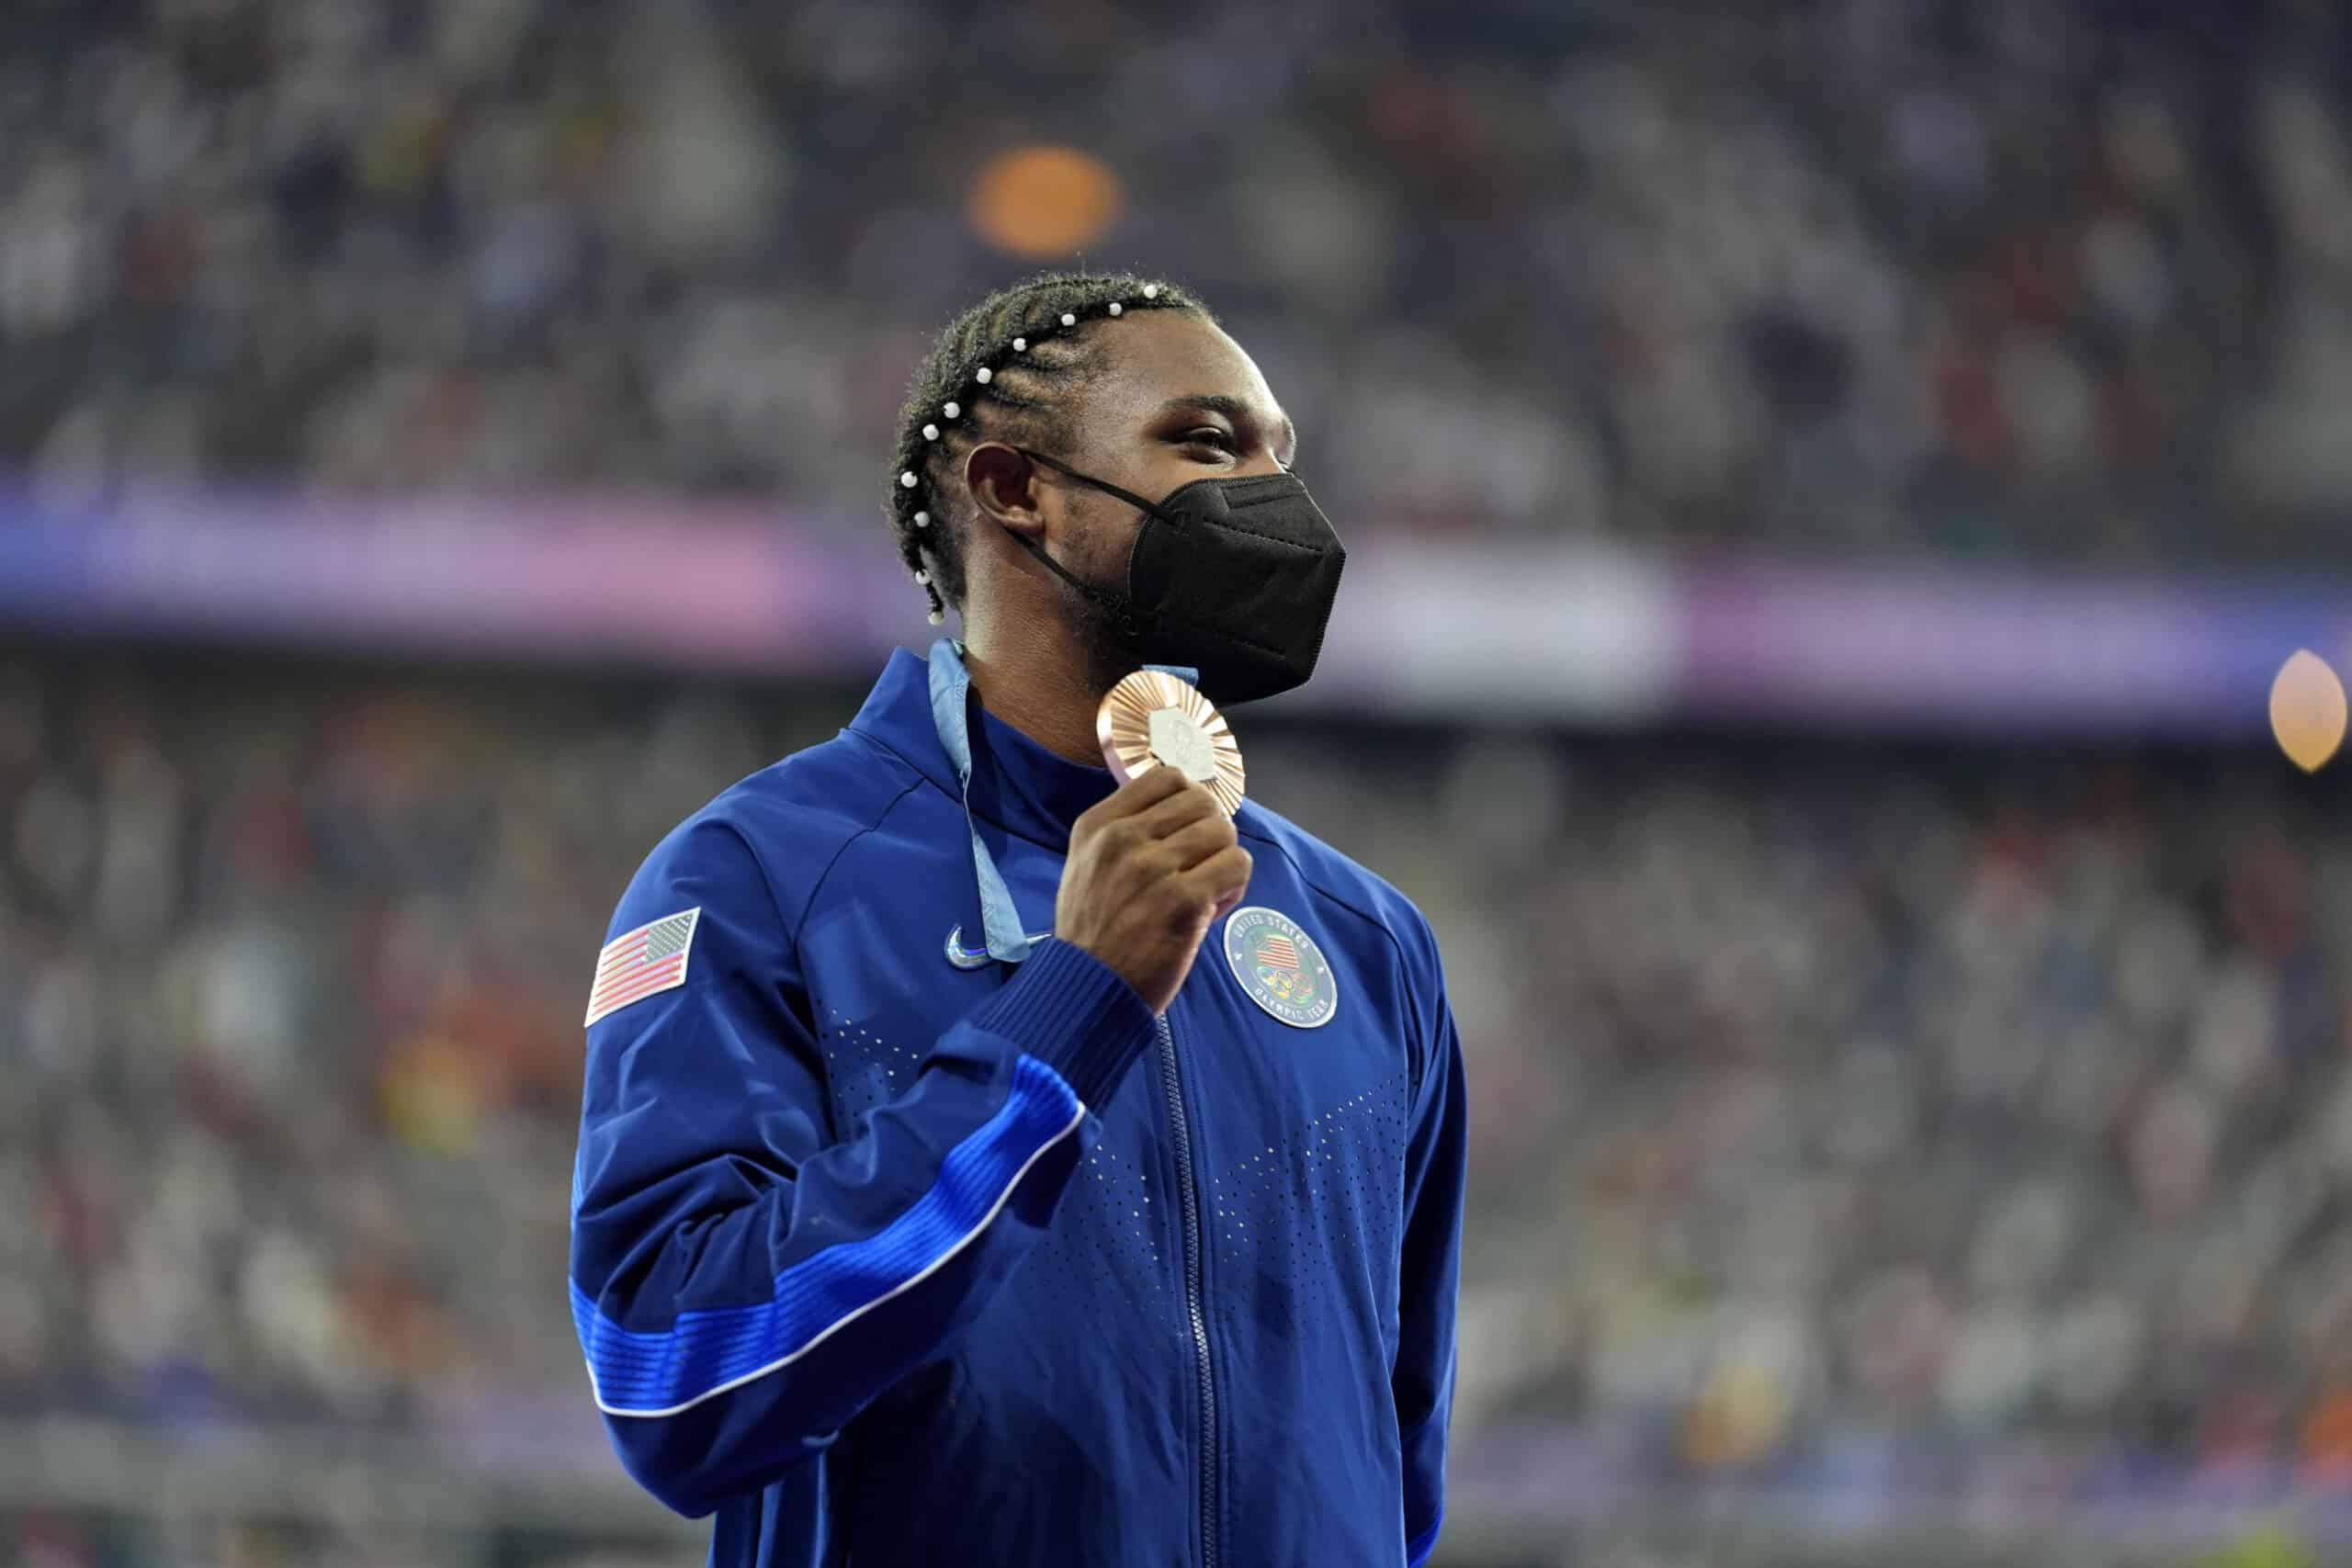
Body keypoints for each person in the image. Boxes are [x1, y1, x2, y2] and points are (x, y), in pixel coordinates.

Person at [568, 272, 1466, 1567]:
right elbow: (672, 1374)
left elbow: (1394, 1473)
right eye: (1209, 444)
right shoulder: (758, 879)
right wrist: (1069, 1013)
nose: (1276, 499)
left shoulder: (1368, 941)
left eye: (1283, 455)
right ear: (1012, 488)